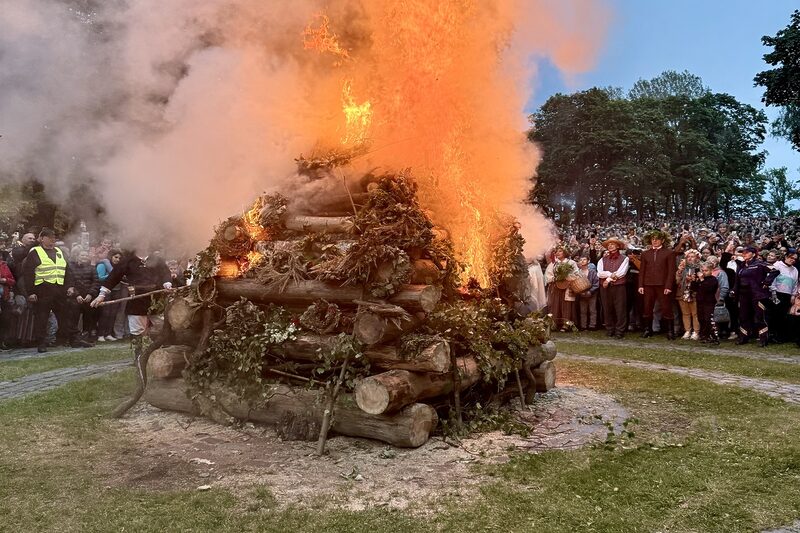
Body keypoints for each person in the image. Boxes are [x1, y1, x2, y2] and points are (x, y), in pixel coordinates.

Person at [91, 246, 173, 354]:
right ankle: (138, 357)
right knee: (137, 331)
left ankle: (164, 353)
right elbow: (113, 277)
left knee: (161, 325)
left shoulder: (157, 260)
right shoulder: (128, 261)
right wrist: (102, 295)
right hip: (136, 300)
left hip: (156, 299)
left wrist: (167, 284)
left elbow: (165, 274)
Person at [22, 228, 92, 352]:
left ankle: (74, 339)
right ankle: (41, 343)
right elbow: (28, 273)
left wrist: (70, 286)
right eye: (49, 237)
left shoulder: (59, 251)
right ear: (42, 238)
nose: (52, 240)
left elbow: (67, 271)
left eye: (54, 238)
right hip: (43, 289)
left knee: (66, 315)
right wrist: (31, 292)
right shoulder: (35, 252)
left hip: (59, 288)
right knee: (42, 317)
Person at [731, 246, 779, 347]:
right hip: (744, 295)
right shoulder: (742, 265)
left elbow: (775, 270)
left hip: (757, 295)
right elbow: (737, 280)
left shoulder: (759, 264)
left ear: (753, 254)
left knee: (759, 317)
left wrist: (767, 282)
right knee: (743, 317)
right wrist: (734, 291)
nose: (744, 254)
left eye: (747, 252)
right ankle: (743, 337)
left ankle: (763, 339)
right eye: (743, 252)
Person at [638, 230, 676, 340]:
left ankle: (670, 331)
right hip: (648, 284)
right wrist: (640, 285)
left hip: (662, 284)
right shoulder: (645, 253)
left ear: (662, 240)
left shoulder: (669, 253)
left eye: (657, 238)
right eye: (652, 238)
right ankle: (647, 330)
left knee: (666, 307)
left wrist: (668, 286)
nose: (654, 241)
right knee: (647, 308)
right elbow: (642, 271)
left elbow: (671, 271)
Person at [597, 237, 629, 339]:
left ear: (618, 246)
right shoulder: (602, 259)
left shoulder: (624, 258)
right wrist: (610, 275)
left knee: (620, 309)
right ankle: (610, 329)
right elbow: (600, 273)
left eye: (613, 244)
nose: (610, 246)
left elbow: (621, 273)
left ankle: (620, 330)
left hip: (619, 287)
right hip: (605, 288)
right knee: (607, 308)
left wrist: (607, 280)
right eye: (609, 244)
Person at [66, 248, 99, 342]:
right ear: (77, 256)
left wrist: (90, 294)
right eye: (82, 255)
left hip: (88, 297)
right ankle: (73, 338)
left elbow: (96, 282)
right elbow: (69, 282)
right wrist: (76, 295)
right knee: (73, 318)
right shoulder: (70, 267)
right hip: (75, 297)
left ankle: (86, 337)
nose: (84, 257)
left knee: (88, 318)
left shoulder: (92, 268)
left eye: (86, 255)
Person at [768, 249, 798, 343]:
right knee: (774, 315)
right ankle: (772, 335)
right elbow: (771, 279)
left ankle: (782, 336)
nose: (792, 260)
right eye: (791, 257)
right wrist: (773, 293)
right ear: (786, 256)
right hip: (776, 293)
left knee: (783, 316)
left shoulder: (795, 270)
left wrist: (793, 295)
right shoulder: (777, 265)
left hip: (787, 295)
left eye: (795, 259)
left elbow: (795, 284)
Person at [544, 247, 577, 331]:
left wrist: (567, 278)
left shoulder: (571, 262)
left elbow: (576, 273)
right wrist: (555, 278)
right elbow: (548, 275)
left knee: (566, 305)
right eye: (556, 251)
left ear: (565, 252)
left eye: (560, 251)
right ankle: (554, 324)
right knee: (555, 305)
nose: (557, 253)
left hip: (568, 287)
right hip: (556, 287)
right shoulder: (553, 264)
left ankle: (566, 325)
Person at [96, 249, 123, 342]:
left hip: (116, 290)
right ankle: (100, 334)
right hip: (106, 291)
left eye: (119, 258)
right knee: (105, 313)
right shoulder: (102, 265)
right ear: (111, 256)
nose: (117, 260)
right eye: (115, 257)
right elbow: (99, 277)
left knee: (113, 313)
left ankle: (108, 333)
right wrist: (112, 276)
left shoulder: (120, 267)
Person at [692, 262, 720, 344]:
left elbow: (707, 289)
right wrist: (694, 281)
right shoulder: (700, 279)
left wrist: (702, 280)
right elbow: (695, 289)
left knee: (709, 319)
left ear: (711, 271)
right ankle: (705, 335)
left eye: (706, 270)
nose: (704, 272)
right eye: (702, 270)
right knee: (701, 319)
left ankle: (714, 336)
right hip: (700, 301)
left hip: (709, 302)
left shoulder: (713, 280)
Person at [576, 256, 599, 330]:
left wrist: (591, 291)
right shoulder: (577, 272)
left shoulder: (592, 272)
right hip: (581, 294)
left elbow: (596, 283)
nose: (582, 261)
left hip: (592, 293)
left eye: (584, 259)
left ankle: (592, 325)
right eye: (581, 259)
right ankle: (583, 325)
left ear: (588, 261)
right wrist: (580, 292)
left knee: (592, 310)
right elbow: (575, 284)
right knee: (583, 310)